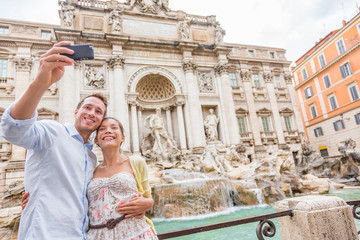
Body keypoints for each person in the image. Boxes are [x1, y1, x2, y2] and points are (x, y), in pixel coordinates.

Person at [1, 41, 108, 239]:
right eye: (87, 107)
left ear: (102, 119)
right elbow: (13, 130)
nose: (92, 113)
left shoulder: (91, 157)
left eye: (98, 111)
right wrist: (41, 83)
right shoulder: (53, 132)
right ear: (76, 112)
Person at [87, 117, 158, 239]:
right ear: (96, 140)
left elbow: (148, 198)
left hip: (135, 233)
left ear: (123, 137)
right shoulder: (90, 170)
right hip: (97, 235)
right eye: (102, 129)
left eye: (114, 128)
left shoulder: (136, 162)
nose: (108, 131)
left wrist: (147, 204)